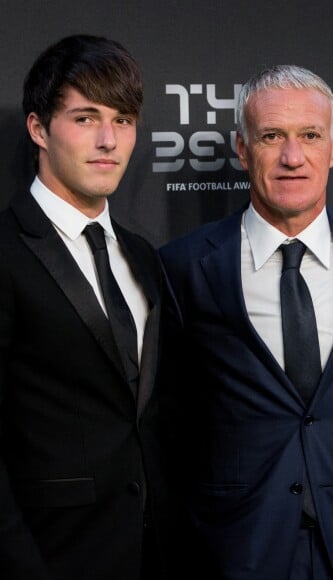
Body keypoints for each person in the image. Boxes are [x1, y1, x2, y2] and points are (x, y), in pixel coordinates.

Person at [158, 64, 333, 579]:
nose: (292, 157)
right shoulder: (185, 264)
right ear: (241, 148)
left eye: (310, 136)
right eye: (272, 136)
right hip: (237, 546)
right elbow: (165, 419)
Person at [0, 34, 173, 580]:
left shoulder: (142, 257)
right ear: (38, 129)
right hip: (52, 557)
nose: (108, 140)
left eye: (123, 120)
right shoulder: (4, 249)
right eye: (85, 118)